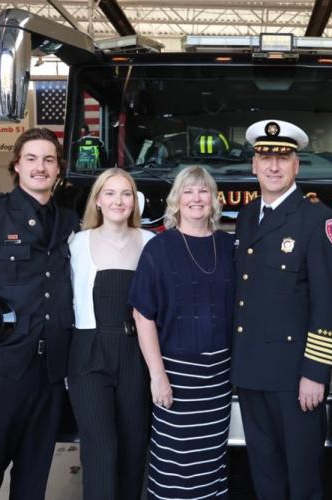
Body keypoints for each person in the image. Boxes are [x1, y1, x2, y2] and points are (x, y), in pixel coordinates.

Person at [230, 119, 332, 500]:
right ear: (254, 164)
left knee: (303, 478)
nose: (273, 166)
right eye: (265, 157)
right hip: (251, 371)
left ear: (297, 164)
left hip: (295, 377)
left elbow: (328, 303)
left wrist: (315, 372)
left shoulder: (319, 220)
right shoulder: (247, 216)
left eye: (283, 158)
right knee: (265, 475)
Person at [129, 166, 234, 499]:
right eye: (188, 191)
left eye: (203, 191)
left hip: (219, 377)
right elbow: (142, 315)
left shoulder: (229, 246)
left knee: (212, 460)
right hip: (176, 375)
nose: (196, 198)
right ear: (176, 200)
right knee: (175, 461)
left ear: (214, 199)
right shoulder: (159, 249)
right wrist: (157, 375)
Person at [0, 128, 79, 499]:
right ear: (17, 165)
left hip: (51, 372)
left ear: (58, 168)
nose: (40, 167)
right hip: (3, 368)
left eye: (48, 160)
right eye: (31, 159)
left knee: (33, 480)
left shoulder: (70, 221)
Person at [67, 168, 154, 500]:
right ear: (98, 200)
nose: (119, 200)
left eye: (126, 193)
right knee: (101, 453)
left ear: (135, 201)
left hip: (136, 355)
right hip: (89, 355)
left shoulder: (151, 243)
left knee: (133, 451)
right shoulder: (76, 244)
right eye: (111, 193)